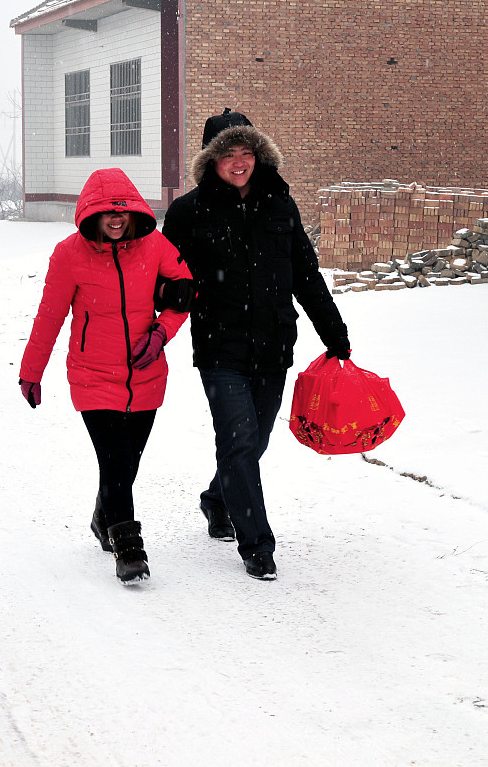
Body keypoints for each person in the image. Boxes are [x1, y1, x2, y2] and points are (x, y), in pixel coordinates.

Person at [162, 109, 352, 581]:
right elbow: (162, 275)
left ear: (259, 155)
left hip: (272, 346)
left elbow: (305, 275)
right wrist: (166, 303)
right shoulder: (188, 212)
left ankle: (217, 499)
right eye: (228, 154)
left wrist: (334, 332)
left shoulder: (280, 206)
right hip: (219, 346)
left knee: (255, 439)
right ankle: (258, 545)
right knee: (240, 438)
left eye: (246, 152)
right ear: (212, 161)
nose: (239, 162)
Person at [18, 168, 192, 585]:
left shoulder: (155, 246)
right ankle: (128, 546)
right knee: (114, 459)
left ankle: (104, 517)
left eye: (123, 211)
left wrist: (161, 333)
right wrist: (31, 370)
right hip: (92, 375)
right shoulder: (68, 254)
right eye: (106, 213)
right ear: (91, 214)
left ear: (134, 212)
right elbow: (50, 316)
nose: (116, 219)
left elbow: (185, 290)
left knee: (126, 463)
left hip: (146, 373)